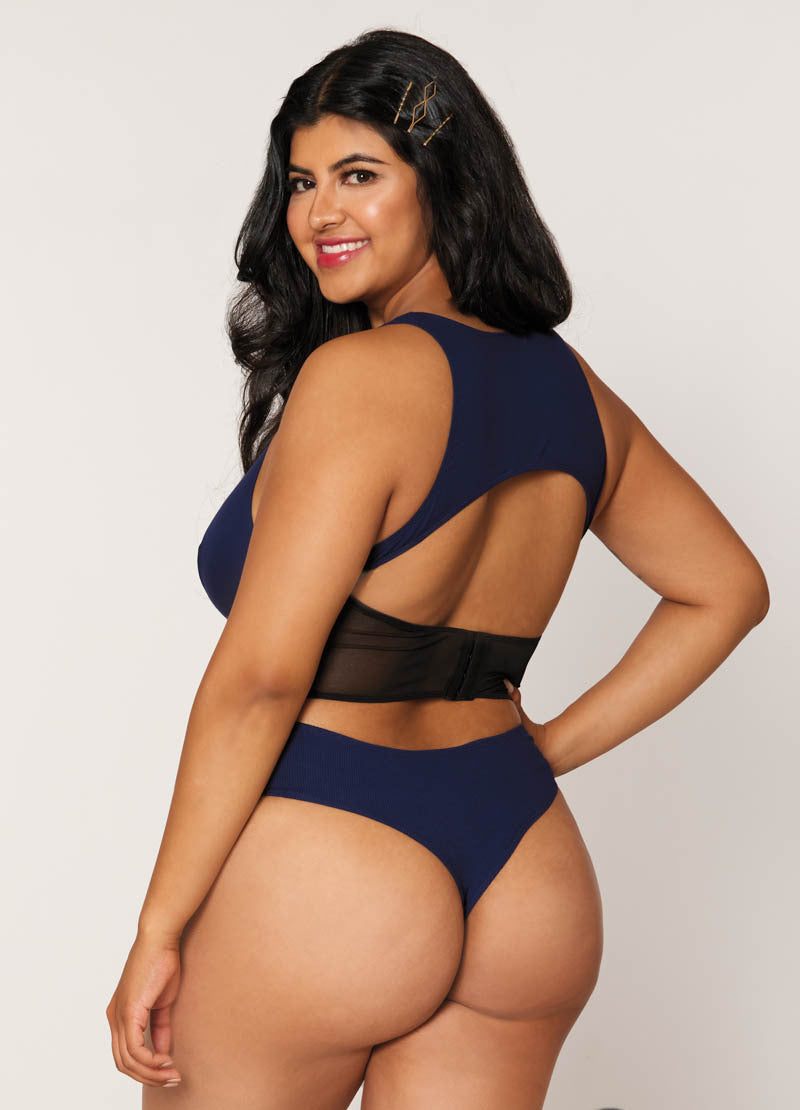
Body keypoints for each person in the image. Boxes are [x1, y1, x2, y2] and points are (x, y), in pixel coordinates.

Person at [106, 27, 769, 1109]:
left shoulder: (359, 378)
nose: (321, 213)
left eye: (359, 175)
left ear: (443, 180)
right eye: (301, 182)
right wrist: (542, 750)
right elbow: (725, 590)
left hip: (333, 857)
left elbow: (262, 680)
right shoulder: (570, 390)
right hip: (525, 869)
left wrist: (159, 926)